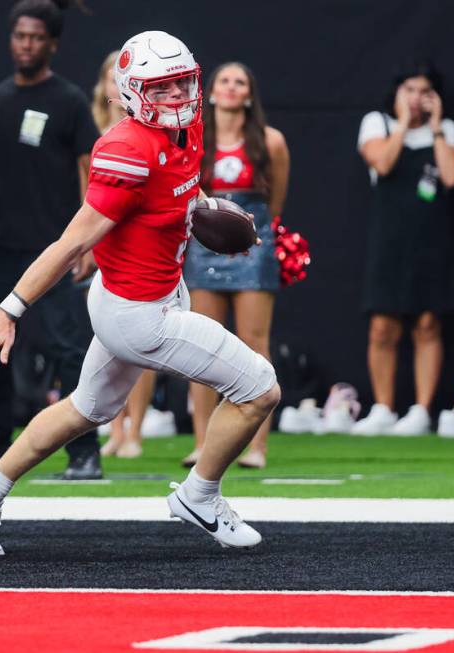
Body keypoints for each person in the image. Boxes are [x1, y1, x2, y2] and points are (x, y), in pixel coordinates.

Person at [0, 31, 281, 555]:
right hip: (139, 314)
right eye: (161, 87)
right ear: (130, 92)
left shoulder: (190, 125)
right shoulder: (126, 147)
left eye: (182, 83)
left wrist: (206, 209)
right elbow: (70, 242)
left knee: (87, 408)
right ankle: (200, 494)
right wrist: (7, 312)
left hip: (145, 290)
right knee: (260, 388)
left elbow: (176, 189)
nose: (176, 96)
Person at [0, 0, 102, 478]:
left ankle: (84, 454)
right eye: (20, 36)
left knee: (67, 349)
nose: (26, 45)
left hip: (55, 246)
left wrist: (87, 242)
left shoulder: (70, 100)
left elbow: (89, 170)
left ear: (52, 44)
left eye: (36, 38)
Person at [182, 62, 290, 469]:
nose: (230, 87)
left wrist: (249, 233)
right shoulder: (194, 138)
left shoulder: (271, 141)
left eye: (239, 81)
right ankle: (203, 444)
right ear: (210, 91)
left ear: (249, 94)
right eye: (223, 80)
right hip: (204, 246)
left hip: (252, 247)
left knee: (254, 344)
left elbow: (275, 201)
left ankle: (257, 447)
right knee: (201, 346)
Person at [353, 59, 454, 436]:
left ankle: (421, 409)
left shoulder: (446, 130)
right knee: (383, 325)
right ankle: (383, 407)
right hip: (389, 239)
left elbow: (451, 177)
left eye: (424, 92)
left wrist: (435, 130)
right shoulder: (377, 124)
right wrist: (402, 122)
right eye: (410, 90)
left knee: (428, 323)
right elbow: (382, 164)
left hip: (433, 241)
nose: (417, 98)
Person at [90, 50, 160, 460]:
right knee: (108, 339)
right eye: (108, 77)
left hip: (139, 245)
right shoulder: (96, 130)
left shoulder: (151, 132)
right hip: (102, 241)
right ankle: (115, 427)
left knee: (143, 341)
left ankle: (136, 427)